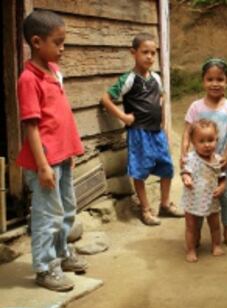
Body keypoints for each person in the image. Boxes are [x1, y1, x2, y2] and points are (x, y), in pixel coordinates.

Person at [16, 10, 87, 292]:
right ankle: (45, 268)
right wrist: (43, 165)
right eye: (58, 43)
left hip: (62, 156)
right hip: (44, 160)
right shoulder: (28, 80)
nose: (62, 48)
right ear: (36, 42)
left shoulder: (55, 72)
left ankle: (61, 254)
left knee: (66, 208)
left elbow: (59, 117)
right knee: (47, 215)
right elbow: (32, 127)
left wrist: (69, 150)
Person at [101, 32, 182, 226]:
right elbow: (105, 98)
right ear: (133, 53)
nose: (149, 57)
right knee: (139, 171)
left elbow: (161, 98)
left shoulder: (156, 77)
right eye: (145, 52)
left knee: (167, 168)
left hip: (157, 132)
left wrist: (163, 121)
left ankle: (164, 204)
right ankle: (145, 209)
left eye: (153, 53)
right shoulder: (129, 79)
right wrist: (123, 117)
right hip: (139, 133)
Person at [181, 58, 227, 248]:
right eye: (210, 79)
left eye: (220, 79)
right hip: (198, 164)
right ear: (203, 81)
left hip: (221, 163)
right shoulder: (196, 107)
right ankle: (195, 234)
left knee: (224, 196)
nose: (215, 84)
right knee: (197, 194)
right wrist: (183, 154)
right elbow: (186, 132)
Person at [181, 119, 226, 262]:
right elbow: (185, 172)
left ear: (216, 140)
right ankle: (191, 249)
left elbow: (222, 177)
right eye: (201, 141)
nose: (207, 145)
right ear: (193, 143)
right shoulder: (191, 158)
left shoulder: (217, 159)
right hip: (193, 200)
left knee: (215, 225)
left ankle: (216, 245)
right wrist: (186, 178)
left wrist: (222, 187)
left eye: (211, 140)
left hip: (211, 199)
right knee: (191, 227)